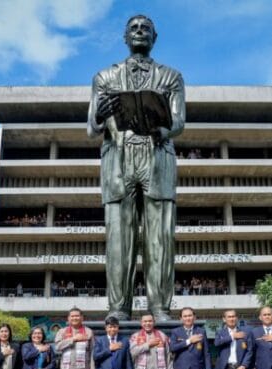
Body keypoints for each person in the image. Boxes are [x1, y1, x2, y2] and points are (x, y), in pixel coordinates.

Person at [87, 15, 185, 321]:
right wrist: (100, 116)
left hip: (158, 154)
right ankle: (118, 308)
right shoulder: (104, 77)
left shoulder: (171, 77)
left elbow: (179, 121)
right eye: (134, 28)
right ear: (125, 37)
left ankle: (160, 307)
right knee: (119, 238)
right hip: (118, 156)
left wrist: (163, 130)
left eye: (146, 28)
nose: (140, 32)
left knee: (160, 238)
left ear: (155, 36)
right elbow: (91, 126)